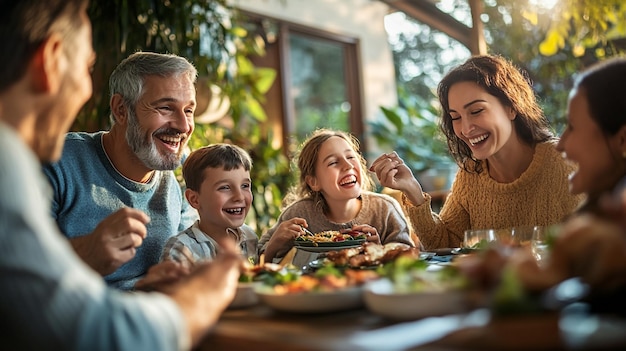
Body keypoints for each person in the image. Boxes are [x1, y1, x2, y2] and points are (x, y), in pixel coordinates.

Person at [0, 1, 242, 349]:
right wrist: (207, 292)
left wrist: (147, 286)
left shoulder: (177, 179)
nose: (185, 125)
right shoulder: (17, 163)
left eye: (189, 111)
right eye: (86, 69)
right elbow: (98, 331)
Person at [370, 54, 583, 250]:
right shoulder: (471, 175)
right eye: (456, 117)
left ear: (512, 107)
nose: (465, 128)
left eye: (476, 111)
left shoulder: (564, 163)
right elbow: (444, 244)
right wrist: (413, 191)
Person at [43, 51, 199, 290]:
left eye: (188, 110)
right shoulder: (56, 162)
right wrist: (84, 255)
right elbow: (15, 274)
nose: (183, 125)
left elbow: (187, 259)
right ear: (121, 110)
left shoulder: (183, 172)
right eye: (166, 108)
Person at [259, 128, 415, 267]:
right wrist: (273, 245)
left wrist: (379, 251)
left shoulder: (385, 209)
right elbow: (260, 258)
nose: (347, 165)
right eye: (333, 162)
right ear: (314, 182)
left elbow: (410, 259)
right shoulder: (299, 214)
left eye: (351, 157)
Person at [161, 143, 259, 267]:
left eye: (245, 186)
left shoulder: (249, 237)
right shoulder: (182, 250)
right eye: (225, 187)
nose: (239, 197)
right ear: (194, 199)